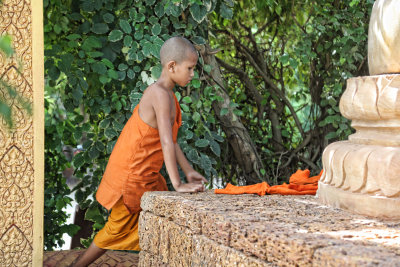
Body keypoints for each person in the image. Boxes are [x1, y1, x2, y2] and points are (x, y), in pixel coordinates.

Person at [73, 36, 207, 267]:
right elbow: (165, 141)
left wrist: (189, 171)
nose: (193, 74)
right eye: (190, 69)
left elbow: (172, 141)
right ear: (172, 66)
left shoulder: (169, 95)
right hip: (130, 175)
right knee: (115, 230)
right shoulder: (158, 94)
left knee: (162, 217)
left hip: (148, 176)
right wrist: (178, 183)